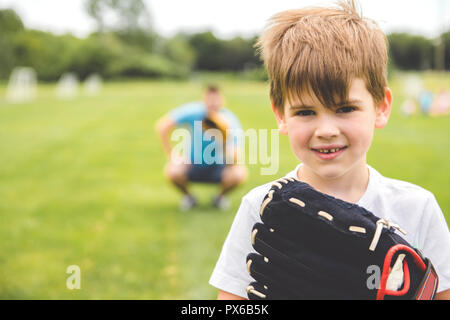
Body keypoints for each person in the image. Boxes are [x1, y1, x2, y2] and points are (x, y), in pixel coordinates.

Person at [209, 1, 450, 300]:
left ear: (381, 107)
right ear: (280, 115)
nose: (325, 130)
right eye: (305, 112)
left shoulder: (417, 209)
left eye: (345, 108)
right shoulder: (262, 207)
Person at [156, 85, 247, 211]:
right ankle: (189, 198)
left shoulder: (230, 121)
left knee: (239, 174)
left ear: (222, 101)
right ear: (203, 100)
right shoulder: (194, 112)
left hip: (218, 167)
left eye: (216, 100)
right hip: (193, 164)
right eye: (209, 100)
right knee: (172, 171)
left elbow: (235, 158)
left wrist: (224, 139)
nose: (213, 103)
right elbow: (162, 126)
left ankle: (219, 198)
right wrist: (172, 154)